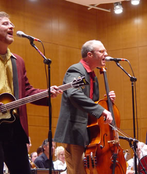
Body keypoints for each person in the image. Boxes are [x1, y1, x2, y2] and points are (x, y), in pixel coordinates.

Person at [0, 11, 62, 174]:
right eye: (5, 23)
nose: (11, 26)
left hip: (15, 127)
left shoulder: (18, 61)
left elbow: (26, 91)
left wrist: (45, 93)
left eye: (12, 23)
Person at [54, 40, 115, 174]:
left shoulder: (93, 76)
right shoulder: (76, 70)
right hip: (74, 131)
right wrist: (101, 110)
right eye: (102, 51)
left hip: (87, 131)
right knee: (77, 171)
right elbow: (73, 93)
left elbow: (91, 102)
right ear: (89, 55)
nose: (106, 54)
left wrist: (105, 101)